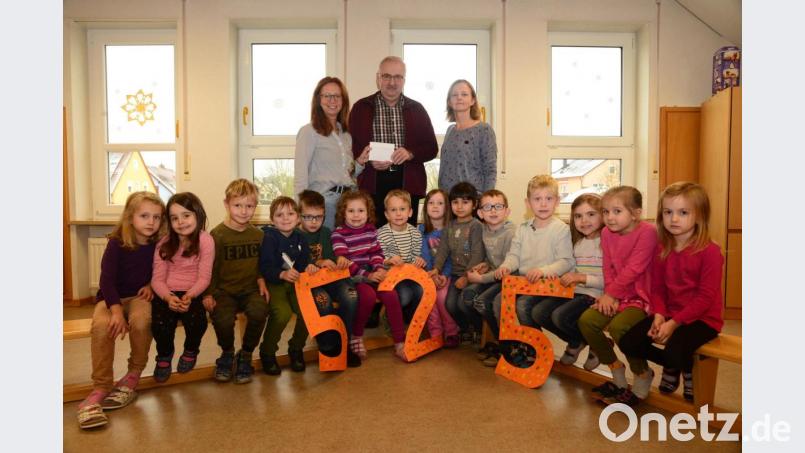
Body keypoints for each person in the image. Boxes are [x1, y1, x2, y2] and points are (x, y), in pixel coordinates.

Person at [618, 182, 723, 403]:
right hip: (669, 312)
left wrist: (673, 323)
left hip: (702, 319)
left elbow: (705, 298)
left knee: (675, 351)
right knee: (629, 341)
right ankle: (673, 363)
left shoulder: (710, 252)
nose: (674, 219)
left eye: (683, 212)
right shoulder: (662, 247)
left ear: (699, 215)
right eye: (668, 212)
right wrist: (658, 314)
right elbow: (657, 288)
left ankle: (682, 367)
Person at [77, 192, 165, 430]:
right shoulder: (116, 242)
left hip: (139, 297)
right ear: (130, 217)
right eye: (144, 216)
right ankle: (101, 387)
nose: (151, 222)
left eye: (157, 217)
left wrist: (150, 287)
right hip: (111, 297)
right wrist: (115, 311)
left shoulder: (160, 244)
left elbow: (162, 273)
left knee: (141, 320)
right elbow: (106, 281)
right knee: (102, 326)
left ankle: (133, 374)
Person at [577, 186, 657, 406]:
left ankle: (642, 373)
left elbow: (635, 269)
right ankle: (615, 368)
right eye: (605, 211)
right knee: (587, 321)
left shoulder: (648, 232)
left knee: (619, 327)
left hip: (642, 297)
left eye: (616, 211)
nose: (609, 217)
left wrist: (611, 294)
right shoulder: (606, 233)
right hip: (617, 296)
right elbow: (608, 267)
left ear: (635, 213)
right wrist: (610, 297)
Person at [492, 175, 574, 367]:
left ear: (557, 202)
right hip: (524, 283)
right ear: (528, 203)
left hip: (549, 286)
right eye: (537, 199)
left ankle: (534, 348)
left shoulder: (560, 229)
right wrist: (506, 266)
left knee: (523, 306)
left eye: (549, 198)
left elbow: (566, 261)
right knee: (498, 302)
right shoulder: (523, 229)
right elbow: (514, 256)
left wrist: (543, 270)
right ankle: (514, 345)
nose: (543, 204)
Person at [349, 56, 438, 227]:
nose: (392, 82)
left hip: (408, 184)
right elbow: (351, 146)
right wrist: (368, 160)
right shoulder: (361, 108)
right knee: (374, 239)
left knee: (405, 239)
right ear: (378, 78)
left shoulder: (417, 109)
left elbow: (431, 148)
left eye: (397, 77)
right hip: (372, 185)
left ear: (404, 79)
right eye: (386, 76)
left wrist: (410, 153)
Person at [331, 190, 409, 362]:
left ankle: (399, 342)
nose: (356, 215)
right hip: (354, 276)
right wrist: (368, 275)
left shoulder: (371, 230)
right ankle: (356, 337)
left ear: (368, 213)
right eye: (351, 211)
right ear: (343, 213)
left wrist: (380, 269)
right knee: (367, 296)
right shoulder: (338, 234)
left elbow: (376, 253)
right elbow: (347, 262)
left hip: (373, 271)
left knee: (391, 295)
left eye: (361, 211)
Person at [204, 179, 270, 384]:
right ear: (226, 205)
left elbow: (262, 262)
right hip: (224, 291)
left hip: (250, 289)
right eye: (238, 205)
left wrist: (261, 278)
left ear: (255, 207)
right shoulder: (217, 235)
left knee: (260, 311)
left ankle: (246, 354)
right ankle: (227, 353)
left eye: (249, 206)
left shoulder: (259, 235)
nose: (244, 211)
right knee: (222, 319)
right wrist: (208, 293)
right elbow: (210, 268)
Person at [150, 192, 214, 383]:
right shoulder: (163, 242)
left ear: (198, 215)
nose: (181, 222)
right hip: (166, 292)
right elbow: (157, 279)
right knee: (160, 324)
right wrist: (168, 298)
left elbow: (205, 277)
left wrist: (190, 296)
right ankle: (164, 355)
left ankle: (190, 350)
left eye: (186, 215)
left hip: (193, 290)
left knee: (198, 322)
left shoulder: (205, 240)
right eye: (174, 218)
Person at [297, 189, 362, 367]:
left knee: (350, 296)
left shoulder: (325, 232)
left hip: (331, 278)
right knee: (323, 301)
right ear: (299, 215)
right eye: (308, 217)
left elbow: (332, 257)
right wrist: (318, 263)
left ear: (324, 215)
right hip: (311, 283)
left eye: (318, 217)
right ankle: (328, 342)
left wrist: (338, 260)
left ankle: (345, 343)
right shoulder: (295, 235)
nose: (313, 222)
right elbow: (298, 262)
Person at [294, 77, 369, 230]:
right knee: (328, 252)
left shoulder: (345, 133)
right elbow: (300, 175)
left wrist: (359, 163)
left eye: (337, 96)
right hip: (324, 204)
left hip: (349, 203)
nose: (332, 100)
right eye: (327, 96)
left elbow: (346, 174)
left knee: (348, 252)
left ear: (343, 100)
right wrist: (301, 211)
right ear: (318, 100)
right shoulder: (308, 132)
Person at [258, 197, 312, 375]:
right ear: (272, 219)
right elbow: (264, 267)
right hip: (275, 282)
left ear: (298, 218)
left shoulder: (301, 238)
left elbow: (304, 263)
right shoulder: (268, 237)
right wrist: (281, 274)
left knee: (307, 311)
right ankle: (267, 351)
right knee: (282, 313)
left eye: (290, 213)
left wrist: (309, 267)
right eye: (279, 215)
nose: (285, 218)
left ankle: (296, 348)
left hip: (296, 282)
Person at [552, 193, 605, 370]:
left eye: (591, 214)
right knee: (543, 312)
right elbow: (572, 269)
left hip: (595, 296)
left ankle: (597, 345)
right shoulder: (578, 243)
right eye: (578, 216)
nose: (584, 221)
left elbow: (611, 281)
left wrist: (581, 278)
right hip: (576, 293)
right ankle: (578, 341)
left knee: (560, 316)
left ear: (603, 215)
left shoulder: (607, 243)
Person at [429, 182, 486, 343]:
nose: (460, 206)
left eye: (465, 202)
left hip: (473, 275)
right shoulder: (449, 227)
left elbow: (477, 254)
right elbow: (442, 251)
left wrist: (467, 277)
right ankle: (465, 328)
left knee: (463, 304)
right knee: (450, 305)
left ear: (474, 204)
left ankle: (478, 330)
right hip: (455, 275)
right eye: (455, 202)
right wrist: (436, 269)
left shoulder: (477, 226)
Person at [465, 189, 516, 366]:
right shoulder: (485, 230)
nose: (493, 211)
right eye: (487, 207)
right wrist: (484, 264)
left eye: (498, 206)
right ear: (480, 213)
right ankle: (493, 339)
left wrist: (480, 279)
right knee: (469, 296)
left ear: (507, 211)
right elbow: (493, 258)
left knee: (485, 302)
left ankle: (506, 346)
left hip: (511, 278)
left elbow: (507, 268)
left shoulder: (511, 233)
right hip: (495, 275)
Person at [438, 79, 497, 194]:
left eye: (464, 94)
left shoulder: (484, 130)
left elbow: (490, 170)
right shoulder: (450, 130)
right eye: (454, 95)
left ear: (472, 100)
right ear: (449, 102)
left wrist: (486, 200)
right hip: (448, 198)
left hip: (472, 198)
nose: (459, 97)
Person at [418, 188, 460, 346]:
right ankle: (436, 333)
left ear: (447, 207)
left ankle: (451, 332)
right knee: (428, 297)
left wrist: (444, 275)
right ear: (426, 207)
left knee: (442, 298)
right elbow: (424, 254)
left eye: (440, 203)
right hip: (429, 275)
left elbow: (452, 257)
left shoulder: (451, 230)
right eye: (431, 203)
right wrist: (432, 275)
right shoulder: (421, 230)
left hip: (446, 275)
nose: (435, 206)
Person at [377, 189, 426, 322]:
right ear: (387, 214)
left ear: (410, 212)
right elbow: (377, 259)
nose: (398, 213)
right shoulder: (381, 234)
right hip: (390, 277)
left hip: (409, 275)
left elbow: (415, 256)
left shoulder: (415, 234)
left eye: (402, 209)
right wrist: (388, 260)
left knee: (421, 291)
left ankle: (411, 321)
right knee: (405, 295)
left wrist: (418, 260)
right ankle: (391, 318)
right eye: (393, 210)